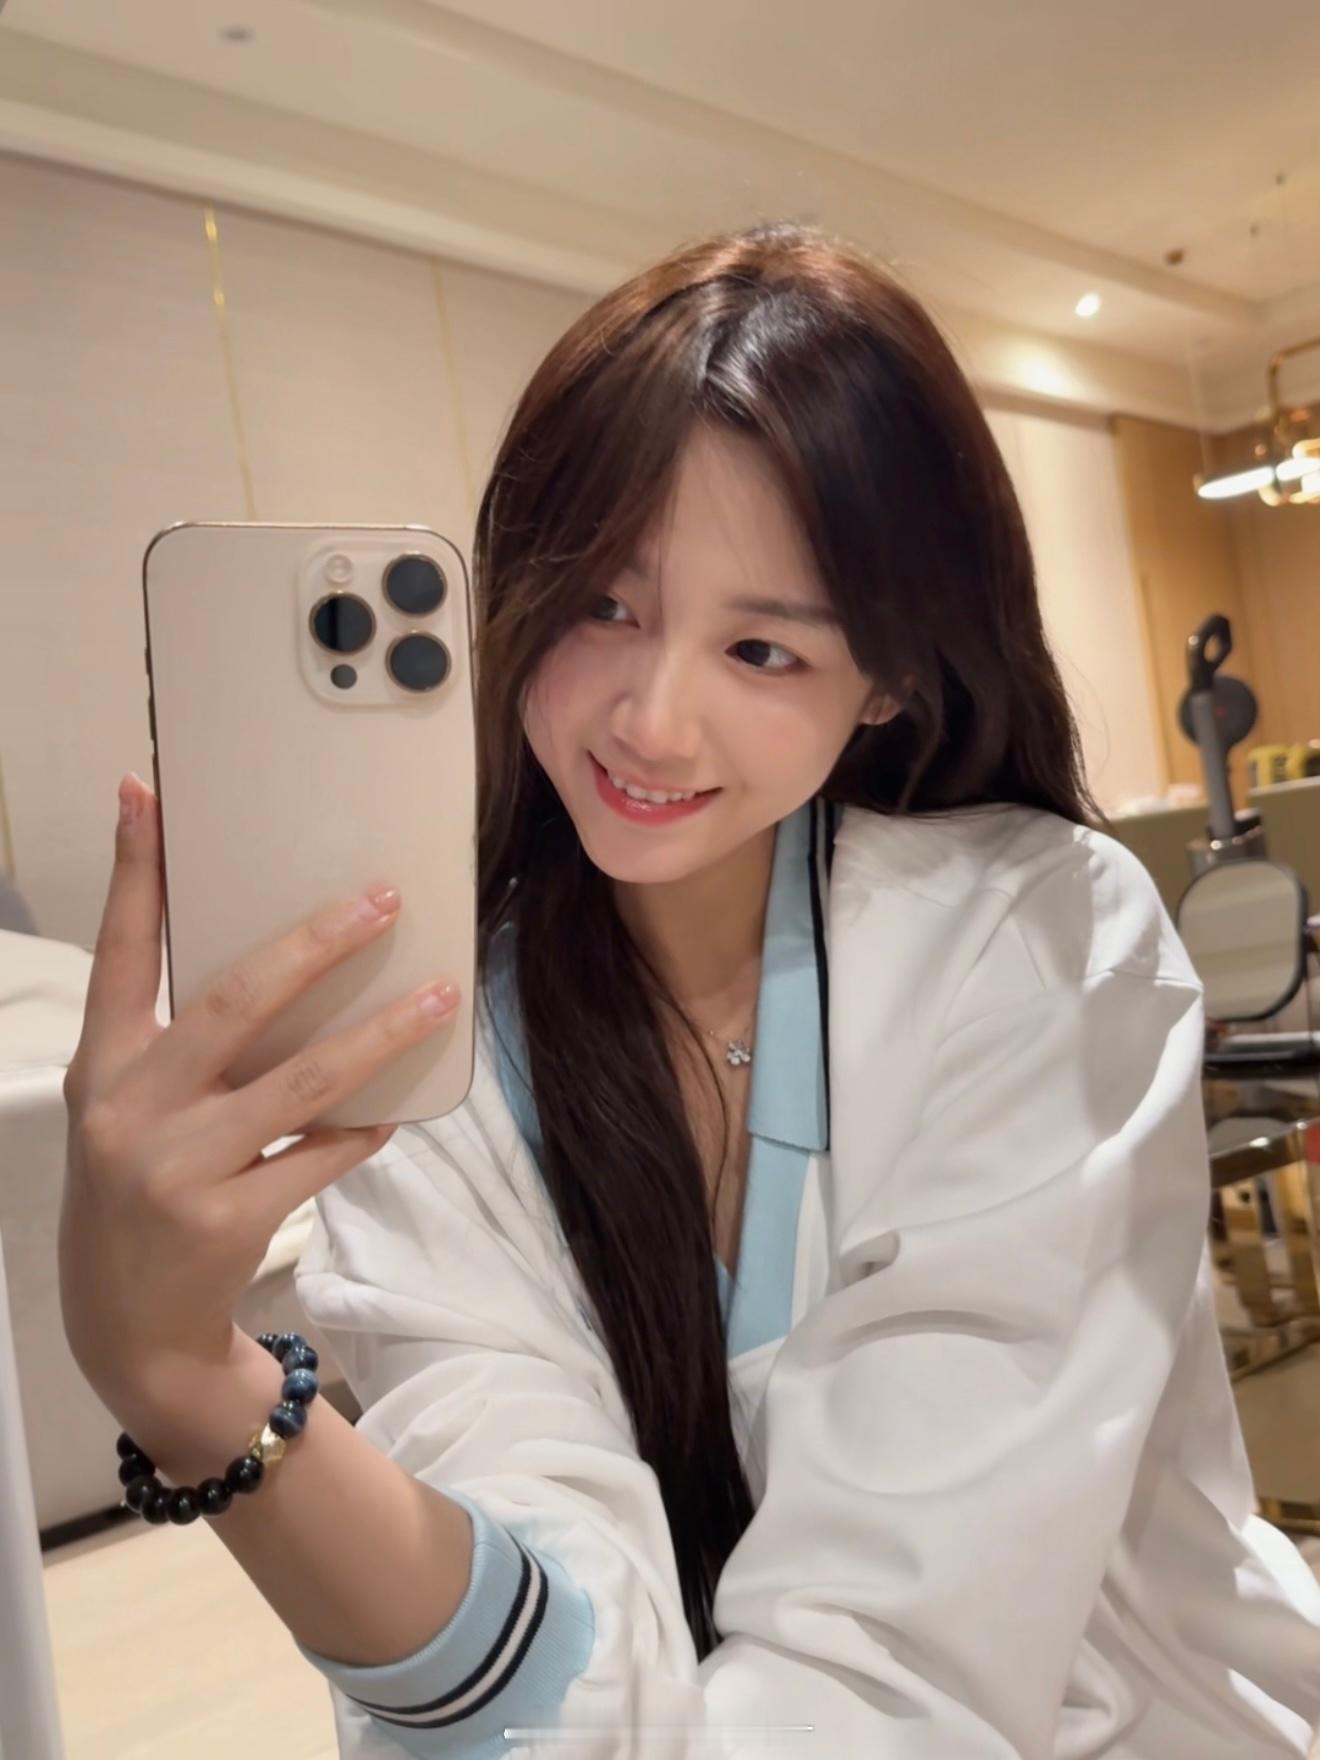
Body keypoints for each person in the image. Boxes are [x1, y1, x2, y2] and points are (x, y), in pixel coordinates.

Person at [61, 222, 1320, 1760]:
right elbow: (539, 1636)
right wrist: (192, 1381)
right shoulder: (441, 1052)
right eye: (606, 604)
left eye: (763, 650)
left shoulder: (1036, 943)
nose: (653, 722)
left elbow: (906, 1669)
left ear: (890, 676)